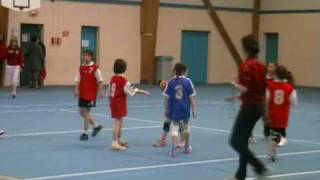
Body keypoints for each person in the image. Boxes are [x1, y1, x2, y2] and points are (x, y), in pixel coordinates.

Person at [227, 35, 269, 180]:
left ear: (244, 48)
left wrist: (234, 83)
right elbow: (263, 86)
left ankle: (259, 167)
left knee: (235, 141)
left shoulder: (246, 65)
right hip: (260, 105)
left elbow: (245, 88)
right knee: (243, 140)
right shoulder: (262, 65)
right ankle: (241, 174)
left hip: (250, 106)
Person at [107, 59, 150, 151]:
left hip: (114, 102)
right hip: (119, 102)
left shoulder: (113, 78)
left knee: (120, 121)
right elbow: (132, 89)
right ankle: (114, 142)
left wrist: (110, 100)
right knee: (117, 122)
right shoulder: (122, 80)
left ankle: (119, 139)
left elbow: (109, 91)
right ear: (124, 69)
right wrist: (143, 91)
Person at [163, 63, 196, 157]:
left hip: (174, 108)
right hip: (185, 108)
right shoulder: (188, 81)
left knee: (174, 127)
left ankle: (173, 149)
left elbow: (166, 97)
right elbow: (192, 97)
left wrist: (166, 109)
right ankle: (186, 146)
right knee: (186, 126)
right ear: (184, 71)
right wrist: (193, 109)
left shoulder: (170, 82)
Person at [266, 65, 297, 162]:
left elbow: (266, 100)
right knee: (279, 136)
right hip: (283, 115)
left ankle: (272, 152)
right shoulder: (289, 88)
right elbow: (294, 102)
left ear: (275, 74)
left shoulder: (270, 86)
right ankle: (272, 152)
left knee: (275, 134)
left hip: (272, 114)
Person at [74, 50, 103, 141]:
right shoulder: (81, 68)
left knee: (86, 113)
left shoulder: (95, 68)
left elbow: (100, 81)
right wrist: (76, 89)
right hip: (82, 93)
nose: (84, 57)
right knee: (81, 112)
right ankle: (96, 126)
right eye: (83, 55)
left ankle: (85, 133)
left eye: (86, 55)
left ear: (90, 57)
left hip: (90, 94)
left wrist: (100, 92)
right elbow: (77, 79)